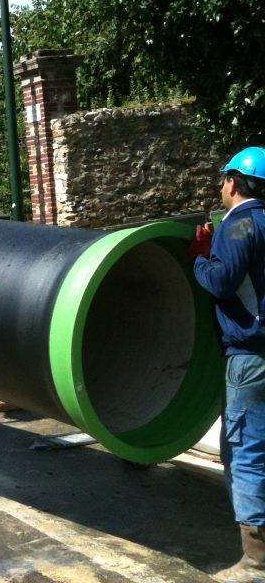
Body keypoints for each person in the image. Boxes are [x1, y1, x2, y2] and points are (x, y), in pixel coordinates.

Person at [190, 146, 265, 583]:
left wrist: (199, 256)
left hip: (250, 358)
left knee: (245, 451)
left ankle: (256, 562)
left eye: (223, 180)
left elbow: (221, 282)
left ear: (234, 183)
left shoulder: (239, 224)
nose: (221, 187)